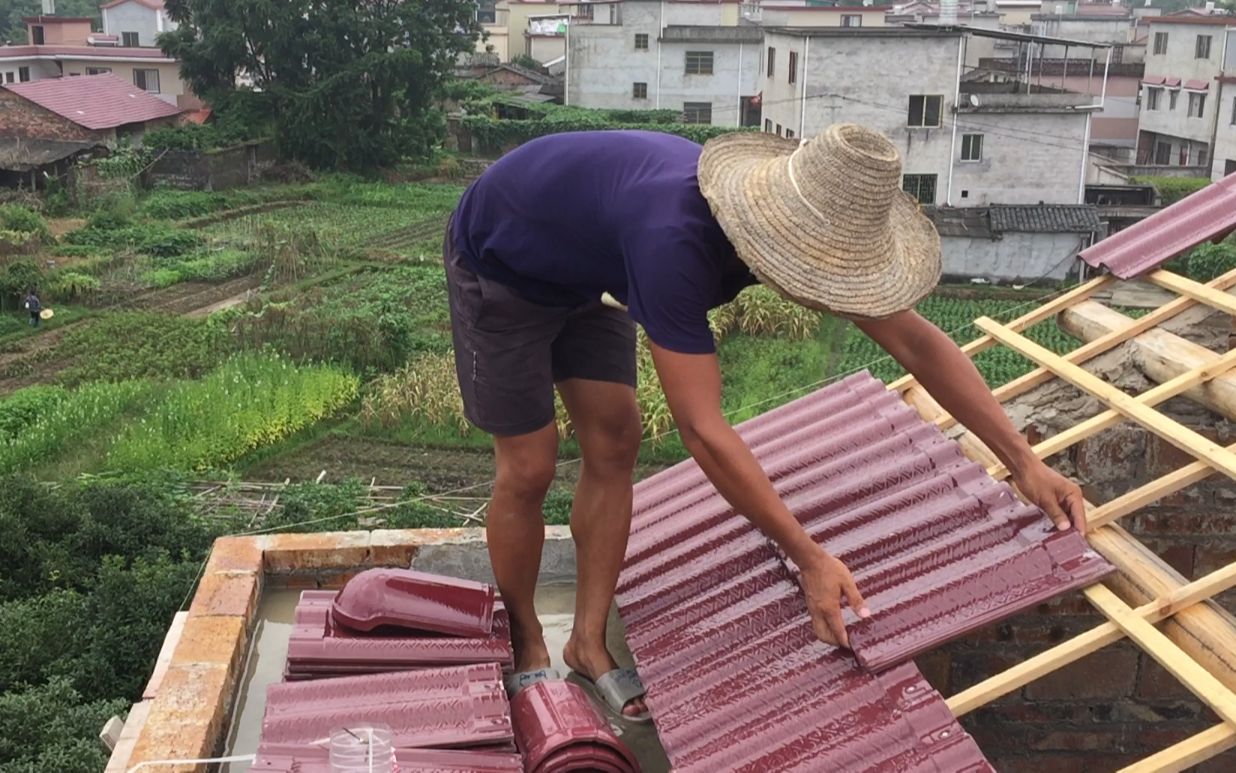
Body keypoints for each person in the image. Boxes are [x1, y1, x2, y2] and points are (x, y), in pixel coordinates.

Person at [444, 125, 1086, 721]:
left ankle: (587, 643)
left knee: (615, 441)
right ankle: (528, 641)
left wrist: (1023, 462)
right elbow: (702, 428)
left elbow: (916, 345)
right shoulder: (674, 241)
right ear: (780, 241)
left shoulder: (785, 225)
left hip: (589, 266)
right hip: (504, 262)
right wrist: (806, 556)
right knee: (529, 465)